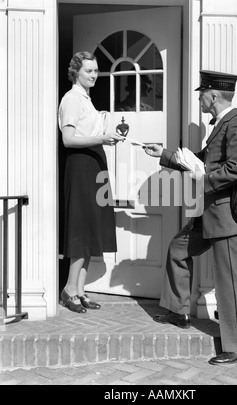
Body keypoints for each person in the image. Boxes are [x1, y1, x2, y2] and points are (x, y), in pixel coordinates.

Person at [144, 70, 237, 365]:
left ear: (214, 96)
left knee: (229, 280)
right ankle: (178, 310)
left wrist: (203, 180)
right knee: (178, 250)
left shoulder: (236, 126)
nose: (200, 98)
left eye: (202, 93)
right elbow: (200, 160)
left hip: (225, 217)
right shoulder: (221, 125)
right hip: (208, 213)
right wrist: (165, 154)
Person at [58, 51, 124, 313]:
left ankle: (79, 290)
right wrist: (101, 139)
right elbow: (68, 139)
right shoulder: (71, 100)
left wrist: (104, 125)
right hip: (82, 165)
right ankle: (68, 290)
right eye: (89, 71)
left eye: (96, 70)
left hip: (95, 163)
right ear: (76, 72)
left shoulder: (85, 99)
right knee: (81, 228)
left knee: (92, 227)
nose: (94, 75)